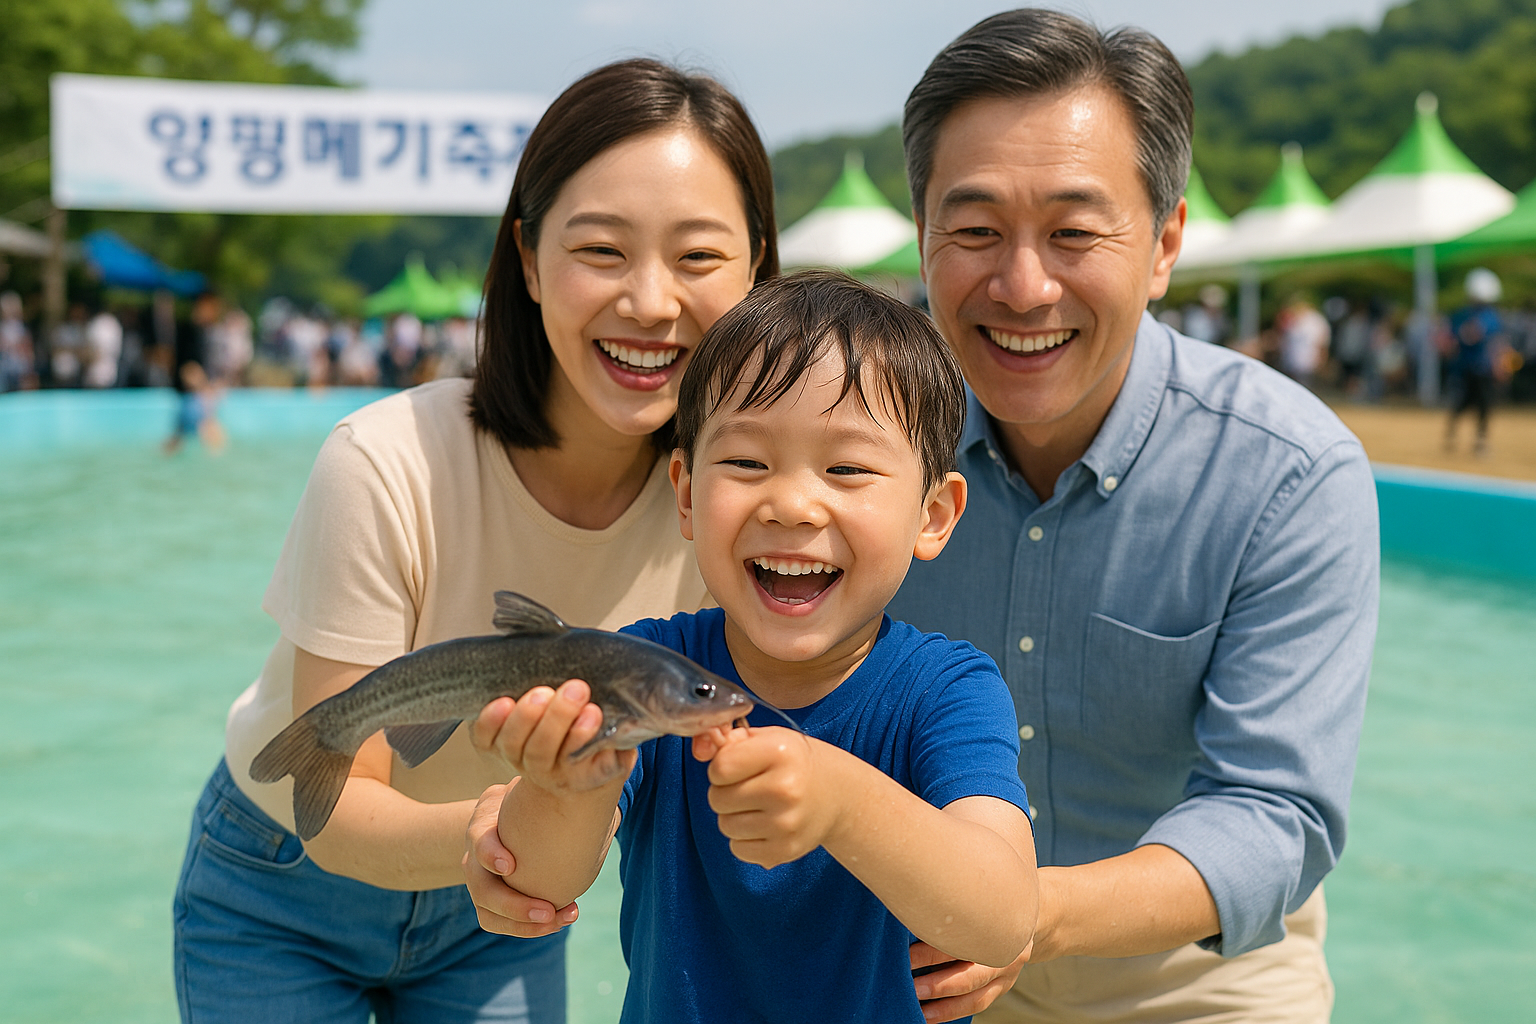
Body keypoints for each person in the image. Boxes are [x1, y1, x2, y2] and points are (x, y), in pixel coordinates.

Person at [172, 58, 778, 1023]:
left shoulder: (741, 502)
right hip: (283, 876)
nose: (653, 304)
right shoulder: (384, 459)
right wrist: (516, 828)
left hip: (501, 906)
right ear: (530, 262)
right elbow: (341, 791)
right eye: (603, 251)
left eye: (699, 258)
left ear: (756, 270)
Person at [882, 11, 1377, 1022]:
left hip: (1199, 977)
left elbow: (1276, 812)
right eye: (974, 230)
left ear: (1164, 245)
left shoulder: (1288, 471)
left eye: (1074, 231)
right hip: (922, 957)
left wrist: (1025, 911)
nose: (1023, 286)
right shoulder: (859, 449)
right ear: (923, 233)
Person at [471, 271, 1038, 1022]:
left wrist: (842, 802)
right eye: (746, 463)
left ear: (934, 515)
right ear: (684, 493)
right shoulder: (645, 670)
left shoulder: (946, 691)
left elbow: (1001, 916)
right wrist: (564, 782)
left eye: (847, 469)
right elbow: (543, 883)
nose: (792, 504)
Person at [1445, 267, 1504, 455]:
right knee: (1463, 403)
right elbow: (1457, 339)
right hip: (1467, 368)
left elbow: (1496, 342)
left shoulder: (1490, 316)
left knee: (1485, 405)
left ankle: (1480, 441)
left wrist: (1499, 365)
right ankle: (1452, 434)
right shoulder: (1463, 315)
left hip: (1484, 368)